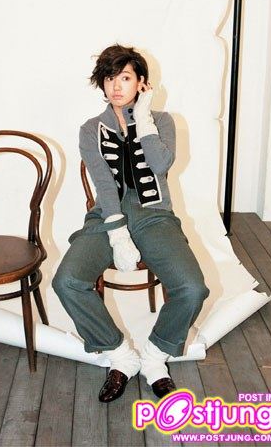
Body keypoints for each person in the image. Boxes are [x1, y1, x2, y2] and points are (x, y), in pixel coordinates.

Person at [52, 44, 210, 403]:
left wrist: (143, 117)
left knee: (192, 288)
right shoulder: (90, 129)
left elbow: (160, 165)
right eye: (109, 78)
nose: (116, 86)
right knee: (67, 281)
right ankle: (121, 356)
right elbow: (104, 185)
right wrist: (117, 233)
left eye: (124, 77)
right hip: (107, 214)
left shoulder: (163, 121)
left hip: (154, 213)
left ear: (141, 82)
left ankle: (154, 357)